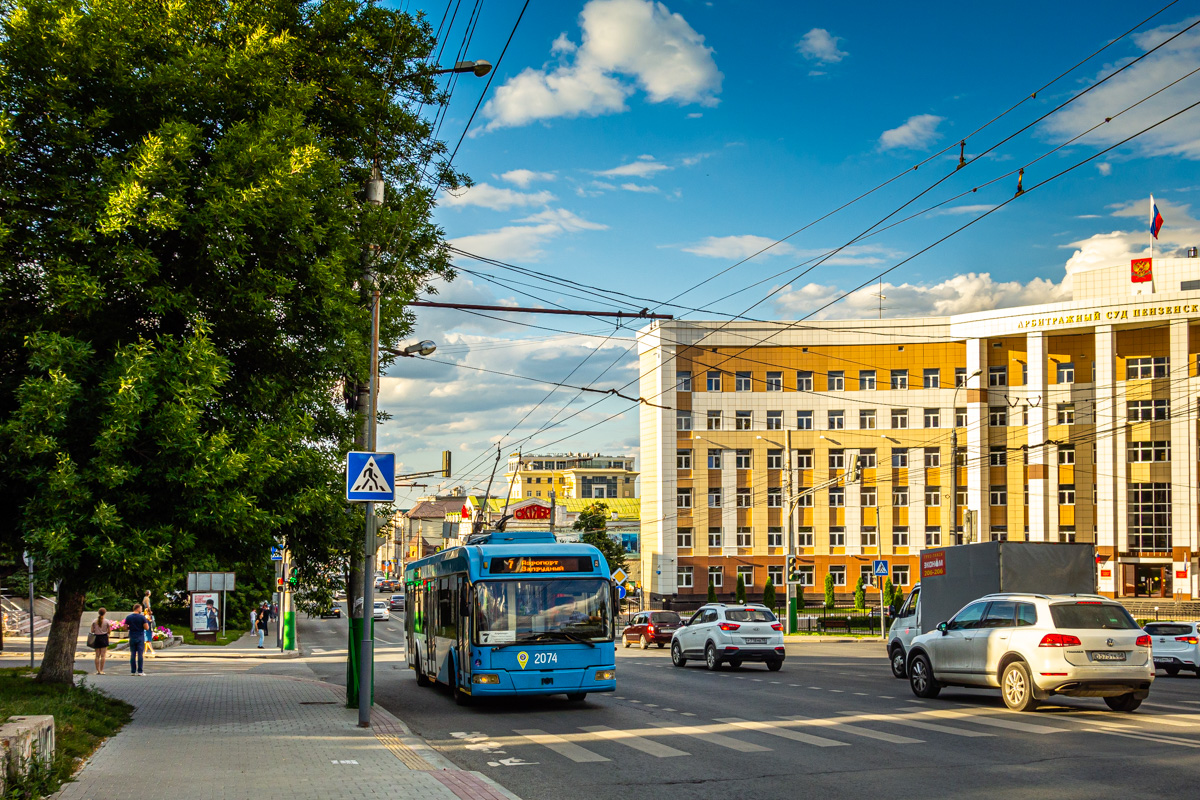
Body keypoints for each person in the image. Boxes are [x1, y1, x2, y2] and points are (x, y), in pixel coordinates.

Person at [125, 603, 150, 676]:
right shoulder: (142, 617)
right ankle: (140, 671)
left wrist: (131, 627)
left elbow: (125, 627)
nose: (142, 610)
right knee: (140, 654)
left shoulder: (128, 617)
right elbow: (147, 627)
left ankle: (133, 671)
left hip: (132, 636)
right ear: (138, 609)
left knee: (133, 654)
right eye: (141, 608)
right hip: (140, 636)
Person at [90, 608, 111, 674]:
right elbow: (109, 631)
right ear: (104, 613)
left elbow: (92, 631)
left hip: (96, 637)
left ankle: (97, 670)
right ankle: (102, 670)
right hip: (104, 637)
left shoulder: (94, 621)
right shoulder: (107, 621)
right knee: (103, 655)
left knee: (97, 655)